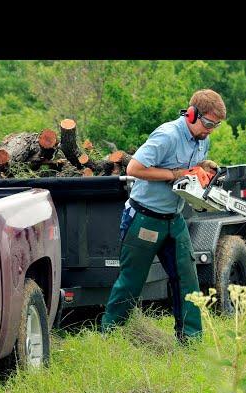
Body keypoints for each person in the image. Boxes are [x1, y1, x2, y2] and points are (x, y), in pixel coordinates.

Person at [100, 89, 226, 344]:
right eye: (209, 123)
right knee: (131, 282)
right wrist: (174, 174)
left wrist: (203, 167)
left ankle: (191, 340)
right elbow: (134, 168)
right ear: (192, 114)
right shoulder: (167, 135)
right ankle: (110, 337)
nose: (211, 129)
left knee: (187, 279)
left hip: (174, 219)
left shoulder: (202, 139)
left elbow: (191, 168)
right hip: (145, 219)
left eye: (217, 125)